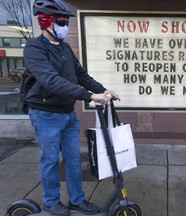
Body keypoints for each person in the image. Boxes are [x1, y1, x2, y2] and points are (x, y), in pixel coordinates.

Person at [23, 0, 120, 215]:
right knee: (49, 160)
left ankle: (77, 200)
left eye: (66, 22)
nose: (64, 26)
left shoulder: (65, 48)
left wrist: (104, 91)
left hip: (67, 114)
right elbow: (51, 81)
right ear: (45, 21)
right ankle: (51, 201)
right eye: (60, 21)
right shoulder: (34, 49)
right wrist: (88, 95)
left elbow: (81, 75)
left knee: (74, 160)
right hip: (45, 114)